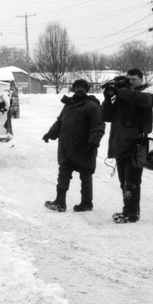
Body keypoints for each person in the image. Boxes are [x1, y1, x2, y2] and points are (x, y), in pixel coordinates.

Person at [101, 67, 153, 223]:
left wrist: (119, 91)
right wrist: (108, 99)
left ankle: (131, 213)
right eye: (128, 79)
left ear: (141, 79)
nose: (130, 82)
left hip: (135, 146)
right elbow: (106, 116)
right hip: (120, 144)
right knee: (124, 182)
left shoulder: (146, 94)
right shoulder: (123, 95)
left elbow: (141, 100)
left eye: (133, 79)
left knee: (131, 182)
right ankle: (130, 210)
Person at [42, 79, 105, 212]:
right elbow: (60, 122)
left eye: (82, 87)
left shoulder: (92, 106)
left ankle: (86, 203)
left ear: (87, 90)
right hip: (66, 146)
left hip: (85, 146)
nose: (79, 89)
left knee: (85, 175)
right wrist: (50, 134)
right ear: (73, 88)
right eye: (77, 87)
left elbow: (98, 126)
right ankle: (60, 202)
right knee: (63, 173)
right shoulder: (68, 105)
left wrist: (93, 143)